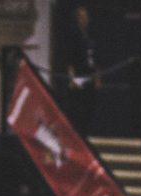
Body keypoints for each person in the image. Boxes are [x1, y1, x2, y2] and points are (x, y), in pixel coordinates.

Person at [63, 6, 97, 134]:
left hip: (89, 74)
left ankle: (85, 132)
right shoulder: (73, 35)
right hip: (79, 74)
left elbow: (94, 57)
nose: (85, 19)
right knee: (78, 108)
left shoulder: (89, 35)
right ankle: (78, 134)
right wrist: (72, 78)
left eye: (86, 17)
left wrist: (97, 77)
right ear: (77, 19)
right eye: (82, 17)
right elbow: (69, 59)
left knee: (90, 106)